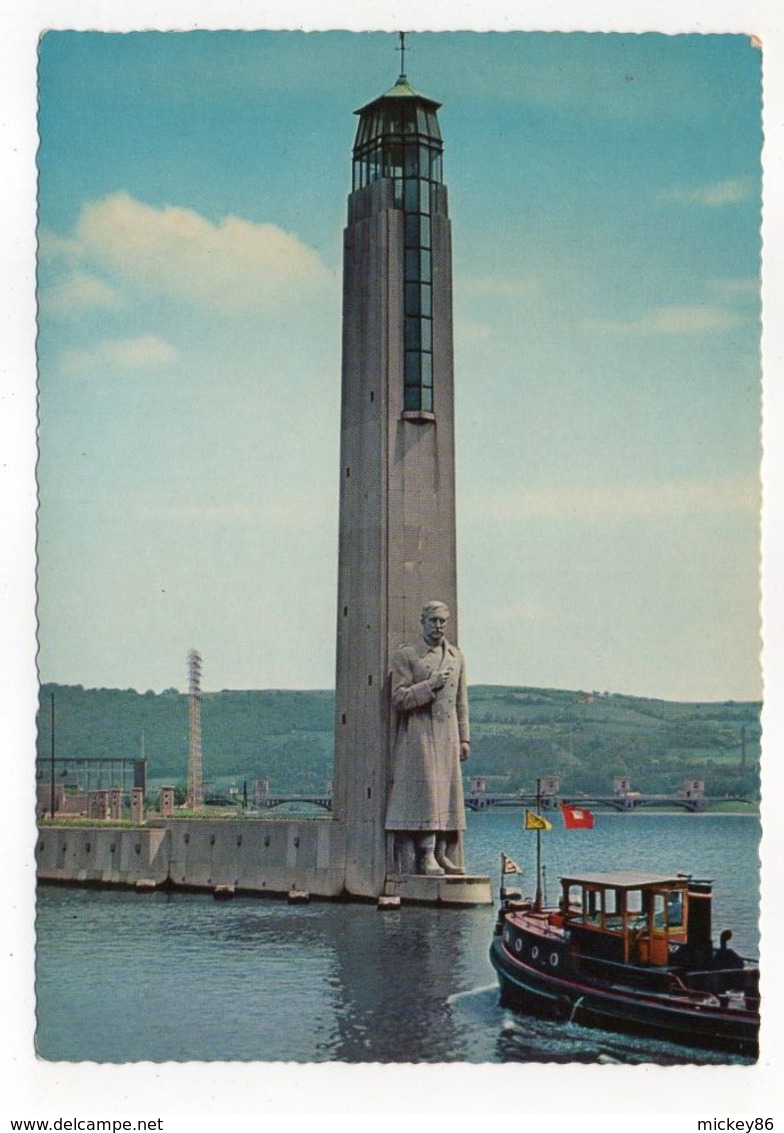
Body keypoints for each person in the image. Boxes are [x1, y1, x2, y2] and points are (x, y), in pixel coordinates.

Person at [385, 601, 470, 875]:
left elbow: (461, 703)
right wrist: (430, 685)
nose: (438, 626)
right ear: (423, 622)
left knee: (448, 794)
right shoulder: (407, 656)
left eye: (443, 621)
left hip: (448, 734)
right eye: (433, 621)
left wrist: (465, 739)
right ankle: (426, 855)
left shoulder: (457, 657)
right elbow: (399, 698)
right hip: (419, 733)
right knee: (427, 796)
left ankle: (443, 853)